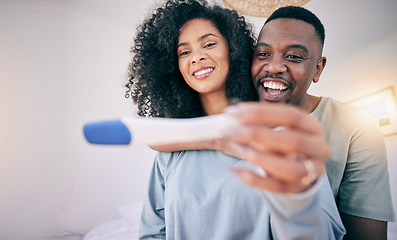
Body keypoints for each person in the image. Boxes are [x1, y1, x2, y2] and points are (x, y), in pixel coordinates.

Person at [154, 5, 396, 239]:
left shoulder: (354, 127)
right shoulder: (231, 121)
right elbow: (156, 136)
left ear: (318, 69)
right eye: (263, 54)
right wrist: (217, 138)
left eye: (293, 56)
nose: (274, 67)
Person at [126, 0, 345, 239]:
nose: (196, 57)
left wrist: (297, 198)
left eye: (208, 44)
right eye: (184, 52)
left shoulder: (283, 140)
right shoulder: (170, 152)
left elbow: (321, 233)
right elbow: (153, 231)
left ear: (234, 49)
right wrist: (217, 140)